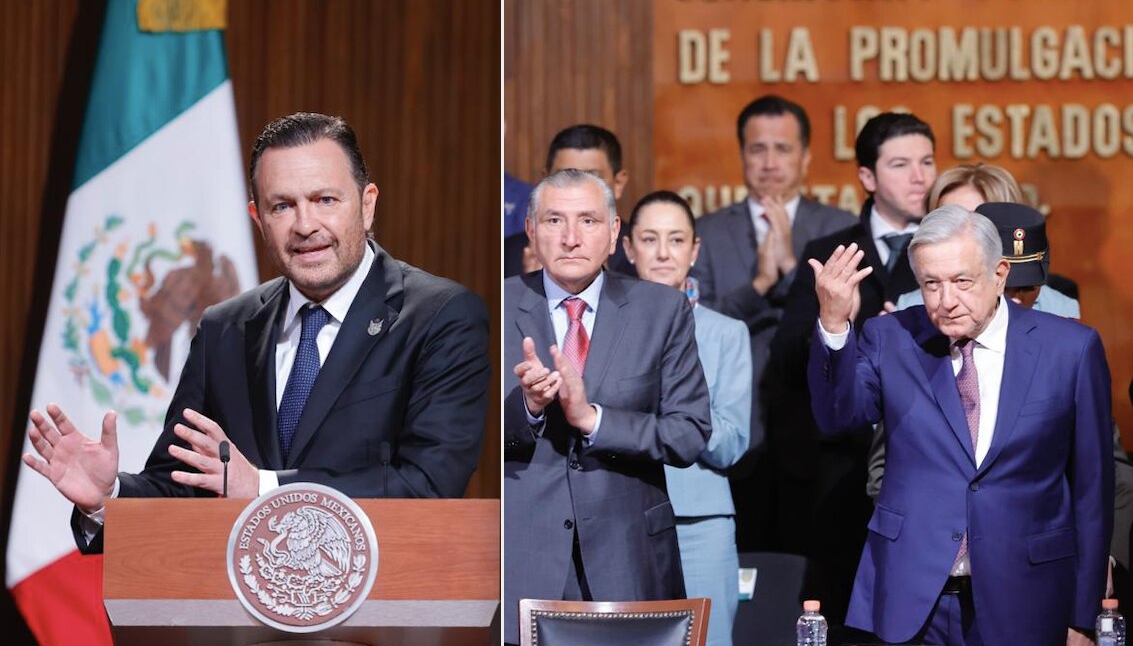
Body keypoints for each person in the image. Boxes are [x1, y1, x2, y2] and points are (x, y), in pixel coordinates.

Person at [23, 112, 492, 552]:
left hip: (381, 600)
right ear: (258, 219)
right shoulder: (224, 329)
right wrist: (108, 497)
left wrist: (265, 488)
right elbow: (183, 485)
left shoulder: (441, 317)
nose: (305, 225)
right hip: (238, 605)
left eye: (325, 200)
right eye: (282, 206)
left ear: (367, 205)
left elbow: (429, 485)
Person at [807, 205, 1113, 645]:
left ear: (1000, 274)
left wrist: (1083, 615)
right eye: (931, 284)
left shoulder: (1069, 348)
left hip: (1028, 598)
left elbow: (1092, 490)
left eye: (961, 281)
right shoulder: (891, 337)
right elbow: (837, 415)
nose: (945, 300)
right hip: (911, 599)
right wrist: (835, 324)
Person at [503, 169, 712, 645]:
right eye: (554, 220)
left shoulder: (663, 310)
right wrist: (528, 408)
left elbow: (689, 433)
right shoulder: (497, 302)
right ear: (531, 230)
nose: (571, 237)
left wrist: (592, 419)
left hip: (628, 558)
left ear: (615, 232)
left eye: (588, 221)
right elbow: (464, 434)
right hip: (524, 557)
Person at [764, 112, 937, 623]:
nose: (919, 177)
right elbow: (786, 358)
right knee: (839, 614)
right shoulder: (830, 253)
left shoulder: (946, 254)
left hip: (921, 467)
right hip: (837, 472)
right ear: (867, 177)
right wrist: (835, 320)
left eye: (927, 162)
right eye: (901, 164)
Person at [690, 94, 855, 553]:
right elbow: (695, 325)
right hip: (735, 429)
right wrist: (760, 284)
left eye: (782, 149)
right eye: (757, 149)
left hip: (816, 431)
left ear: (806, 156)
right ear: (742, 154)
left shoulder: (839, 229)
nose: (769, 163)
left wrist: (793, 271)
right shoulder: (707, 232)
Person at [623, 191, 751, 646]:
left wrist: (678, 404)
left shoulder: (727, 333)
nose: (663, 253)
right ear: (628, 248)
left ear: (694, 250)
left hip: (700, 524)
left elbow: (731, 444)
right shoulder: (600, 326)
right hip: (620, 519)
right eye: (649, 239)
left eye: (676, 240)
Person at [894, 164, 1079, 317]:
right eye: (948, 221)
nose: (962, 231)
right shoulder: (910, 307)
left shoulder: (1059, 309)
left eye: (978, 222)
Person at [511, 124, 637, 277]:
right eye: (564, 176)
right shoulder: (507, 256)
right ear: (544, 180)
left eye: (592, 177)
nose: (576, 187)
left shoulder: (642, 253)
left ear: (618, 183)